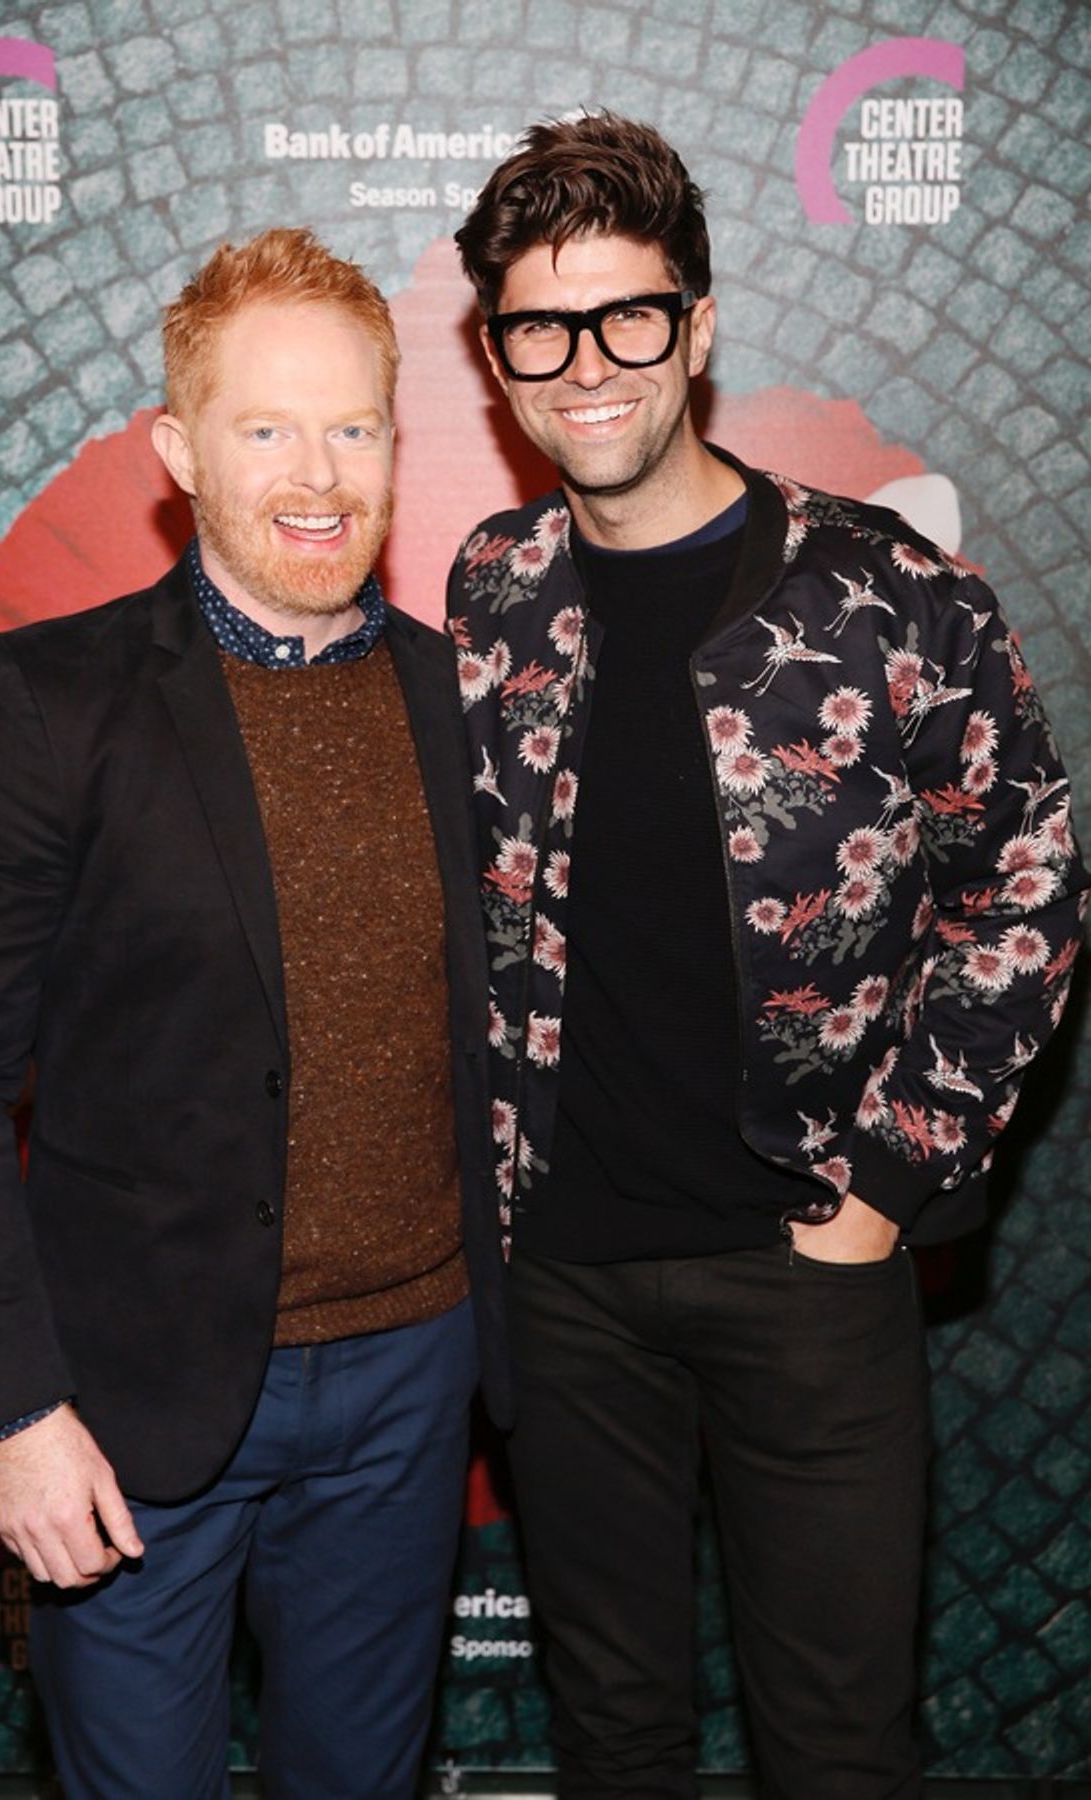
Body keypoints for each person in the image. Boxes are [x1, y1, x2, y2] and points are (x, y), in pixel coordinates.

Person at [447, 112, 1086, 1798]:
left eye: (629, 316)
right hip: (565, 1282)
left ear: (701, 327)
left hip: (809, 1264)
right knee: (617, 1740)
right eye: (539, 327)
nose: (587, 365)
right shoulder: (494, 590)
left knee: (838, 1747)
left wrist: (888, 1181)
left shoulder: (887, 594)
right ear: (495, 354)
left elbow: (1026, 885)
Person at [0, 226, 509, 1800]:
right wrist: (19, 1409)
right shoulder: (54, 702)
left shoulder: (464, 703)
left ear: (395, 436)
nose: (319, 472)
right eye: (266, 427)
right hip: (130, 1403)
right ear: (180, 452)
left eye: (354, 425)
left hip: (410, 1386)